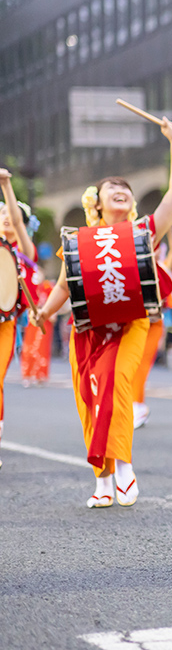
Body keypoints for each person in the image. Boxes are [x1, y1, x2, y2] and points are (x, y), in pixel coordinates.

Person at [30, 118, 172, 508]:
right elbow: (65, 285)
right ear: (96, 203)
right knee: (88, 399)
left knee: (116, 383)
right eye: (111, 189)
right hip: (88, 329)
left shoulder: (144, 233)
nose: (121, 192)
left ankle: (124, 467)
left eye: (126, 190)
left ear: (132, 204)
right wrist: (45, 313)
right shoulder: (80, 241)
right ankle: (101, 477)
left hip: (132, 325)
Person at [0, 169, 40, 470]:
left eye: (9, 214)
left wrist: (6, 186)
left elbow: (15, 218)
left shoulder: (24, 251)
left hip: (6, 324)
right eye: (0, 212)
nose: (5, 217)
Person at [131, 224, 172, 429]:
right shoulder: (134, 266)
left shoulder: (164, 269)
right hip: (134, 322)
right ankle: (134, 405)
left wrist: (171, 230)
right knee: (130, 365)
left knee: (141, 365)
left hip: (154, 324)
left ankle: (137, 405)